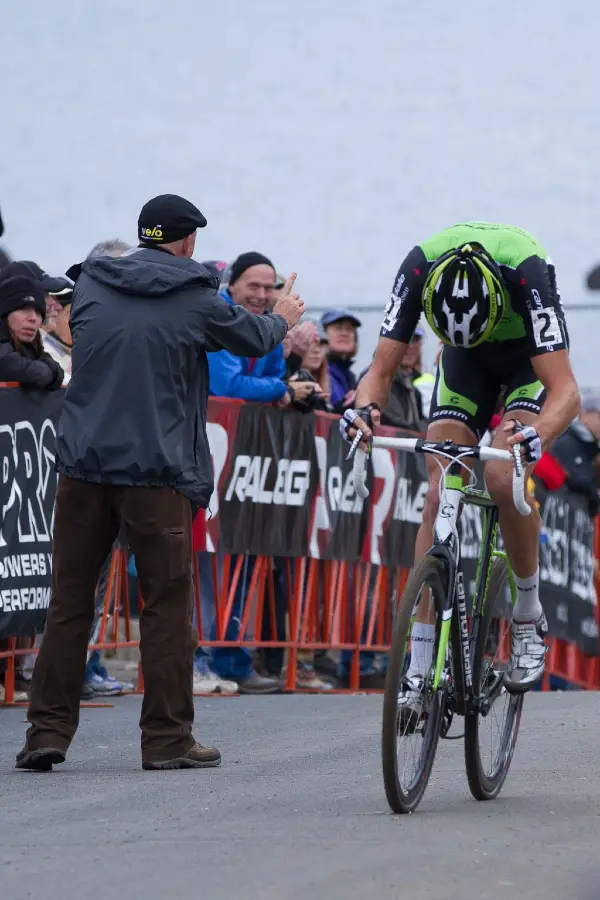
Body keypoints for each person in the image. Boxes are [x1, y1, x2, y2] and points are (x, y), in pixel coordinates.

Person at [16, 193, 304, 772]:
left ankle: (46, 733)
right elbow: (252, 339)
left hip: (82, 466)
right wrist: (285, 318)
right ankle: (167, 739)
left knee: (69, 602)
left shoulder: (92, 281)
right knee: (166, 606)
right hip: (158, 472)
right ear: (189, 242)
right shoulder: (195, 296)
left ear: (143, 235)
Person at [340, 222, 580, 701]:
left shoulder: (526, 272)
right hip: (464, 361)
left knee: (499, 473)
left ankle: (529, 614)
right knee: (440, 483)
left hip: (525, 362)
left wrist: (538, 436)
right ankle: (421, 662)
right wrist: (364, 411)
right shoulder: (416, 269)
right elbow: (380, 371)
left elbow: (566, 392)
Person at [0, 275, 64, 389]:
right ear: (5, 314)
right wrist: (46, 373)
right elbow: (9, 366)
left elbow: (57, 371)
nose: (33, 318)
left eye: (38, 312)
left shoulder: (30, 347)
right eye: (24, 309)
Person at [320, 308, 361, 413]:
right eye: (338, 328)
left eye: (349, 329)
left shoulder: (350, 377)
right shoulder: (318, 371)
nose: (344, 333)